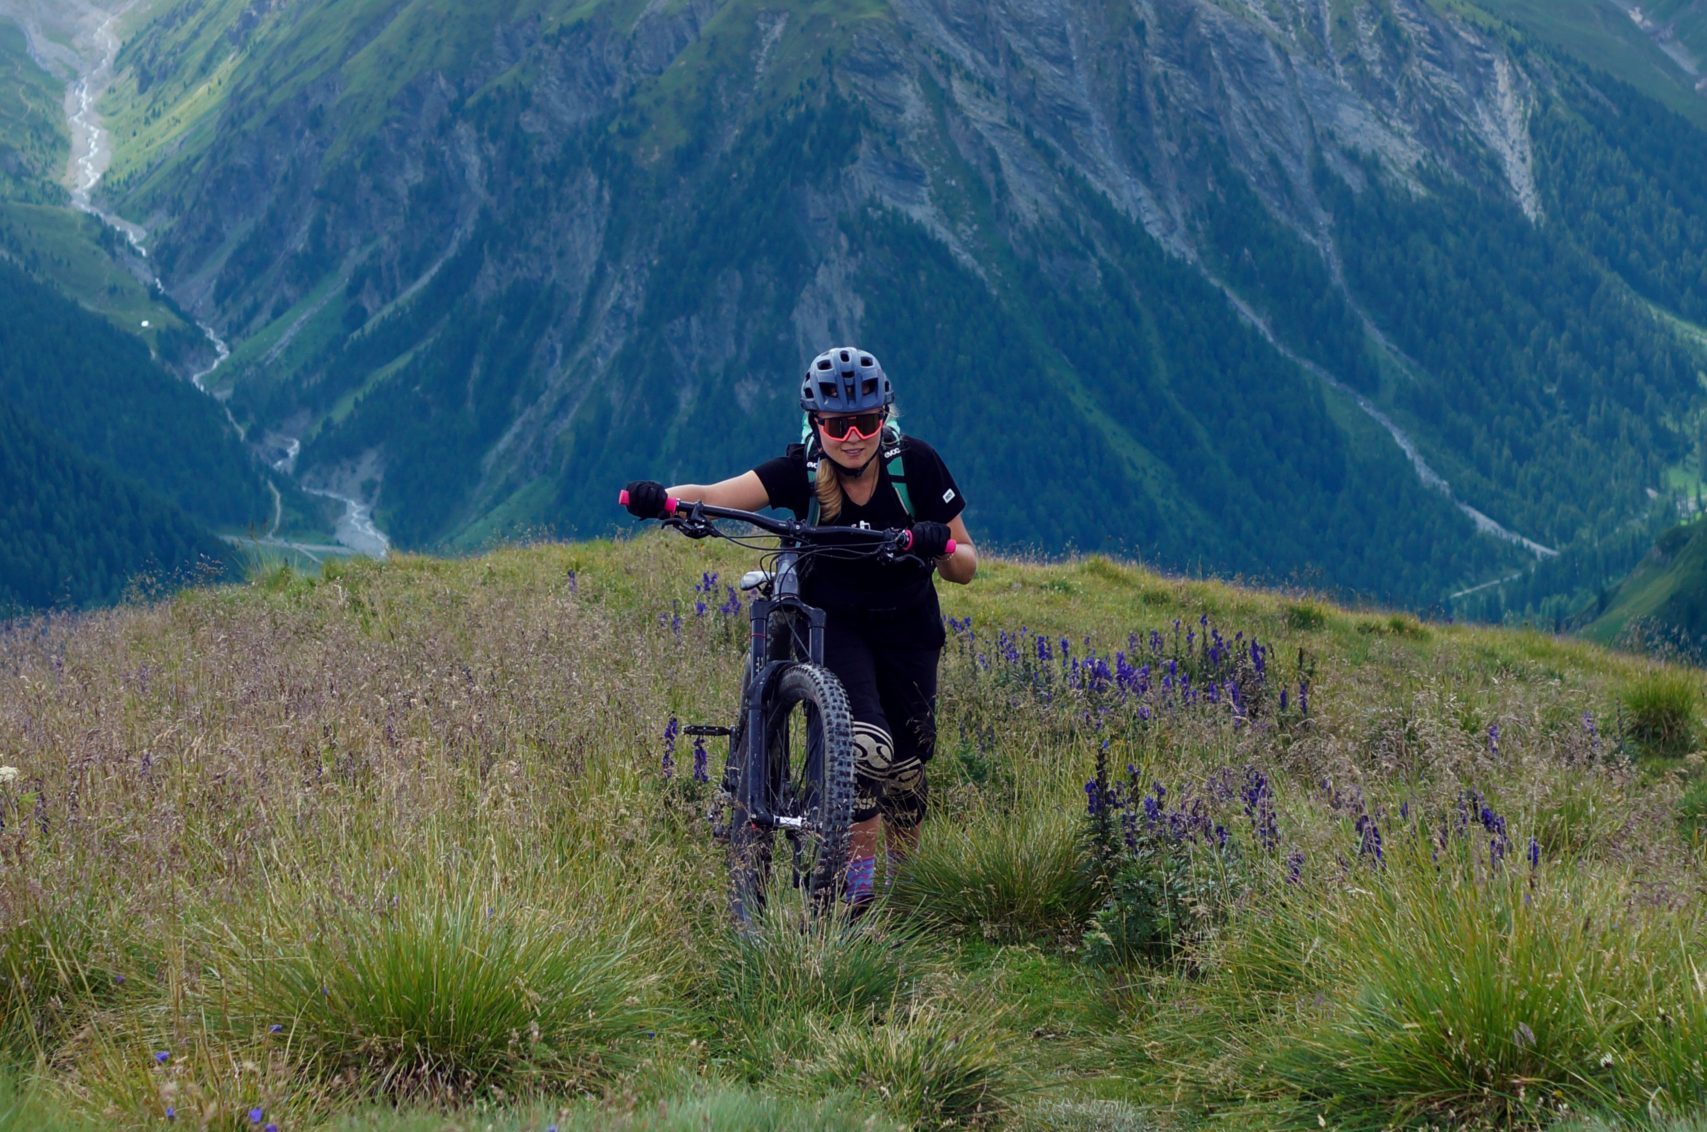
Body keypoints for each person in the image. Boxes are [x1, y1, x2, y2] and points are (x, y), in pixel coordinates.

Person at [622, 345, 976, 910]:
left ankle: (905, 883)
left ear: (884, 418)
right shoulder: (801, 474)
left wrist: (940, 546)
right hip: (835, 626)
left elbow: (968, 566)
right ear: (816, 423)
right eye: (838, 424)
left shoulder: (918, 466)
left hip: (909, 629)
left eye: (865, 421)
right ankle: (857, 895)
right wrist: (662, 500)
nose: (853, 435)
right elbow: (717, 496)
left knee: (909, 768)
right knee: (866, 750)